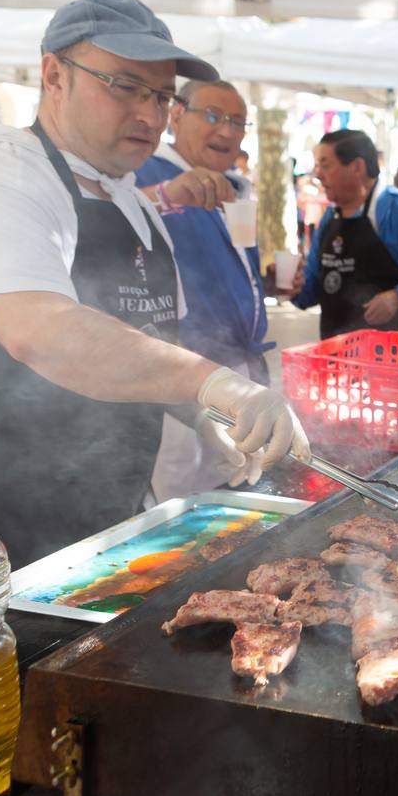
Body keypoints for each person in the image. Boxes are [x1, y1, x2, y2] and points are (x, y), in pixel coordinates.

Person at [0, 0, 308, 565]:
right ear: (55, 76)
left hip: (113, 518)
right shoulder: (0, 170)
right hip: (3, 537)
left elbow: (151, 340)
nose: (151, 115)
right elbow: (40, 330)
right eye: (124, 86)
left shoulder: (135, 203)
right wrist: (212, 383)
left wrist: (202, 413)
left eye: (160, 95)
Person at [133, 79, 273, 500]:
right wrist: (165, 194)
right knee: (175, 499)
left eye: (237, 122)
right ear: (176, 113)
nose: (227, 131)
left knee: (230, 491)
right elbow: (107, 219)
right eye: (213, 116)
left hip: (237, 369)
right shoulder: (147, 170)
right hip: (177, 378)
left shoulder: (231, 185)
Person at [291, 129, 398, 339]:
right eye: (317, 166)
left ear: (357, 167)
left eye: (325, 165)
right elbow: (311, 290)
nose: (318, 174)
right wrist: (292, 287)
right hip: (339, 356)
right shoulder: (330, 218)